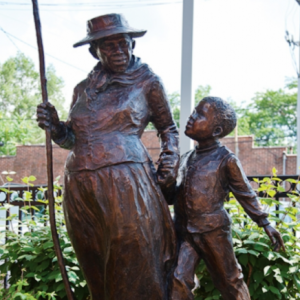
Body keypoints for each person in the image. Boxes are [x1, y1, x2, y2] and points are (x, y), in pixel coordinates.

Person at [37, 13, 179, 300]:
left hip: (126, 183)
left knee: (130, 261)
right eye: (109, 45)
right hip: (80, 185)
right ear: (95, 51)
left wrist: (170, 161)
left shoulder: (147, 82)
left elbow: (168, 129)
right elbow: (72, 139)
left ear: (132, 45)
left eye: (123, 43)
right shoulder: (82, 89)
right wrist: (55, 128)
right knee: (93, 261)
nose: (119, 50)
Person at [164, 97, 285, 300]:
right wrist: (165, 182)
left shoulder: (225, 159)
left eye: (200, 114)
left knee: (230, 280)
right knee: (178, 279)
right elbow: (172, 197)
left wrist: (265, 222)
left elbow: (245, 193)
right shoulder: (185, 158)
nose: (191, 117)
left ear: (217, 130)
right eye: (193, 112)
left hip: (213, 232)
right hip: (186, 231)